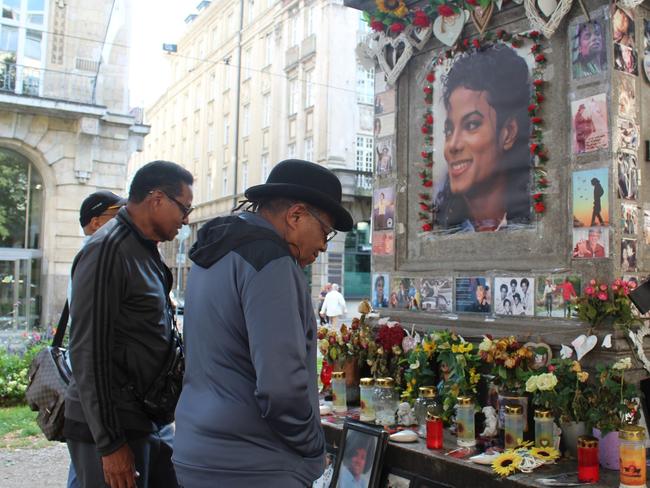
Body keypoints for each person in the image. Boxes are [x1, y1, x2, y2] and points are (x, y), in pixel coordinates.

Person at [172, 159, 353, 487]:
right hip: (254, 463)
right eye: (325, 231)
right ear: (295, 215)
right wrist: (314, 447)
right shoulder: (271, 260)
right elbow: (281, 386)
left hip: (197, 448)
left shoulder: (212, 252)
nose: (324, 245)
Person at [65, 161, 194, 488]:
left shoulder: (143, 249)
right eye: (184, 208)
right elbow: (87, 352)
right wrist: (110, 444)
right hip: (114, 428)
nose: (187, 219)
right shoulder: (108, 250)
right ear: (156, 199)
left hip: (144, 419)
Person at [435, 44, 532, 232]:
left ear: (509, 133)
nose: (452, 146)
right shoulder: (444, 227)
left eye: (471, 125)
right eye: (449, 130)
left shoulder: (526, 224)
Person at [67, 191, 127, 488]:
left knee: (82, 470)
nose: (123, 221)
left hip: (89, 397)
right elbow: (87, 347)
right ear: (94, 223)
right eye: (116, 216)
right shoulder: (96, 257)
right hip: (91, 395)